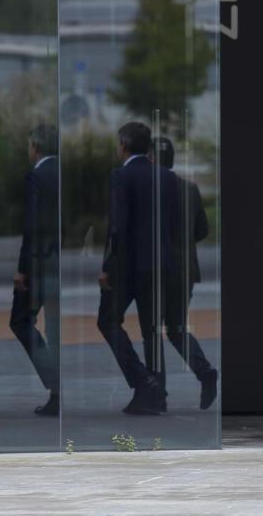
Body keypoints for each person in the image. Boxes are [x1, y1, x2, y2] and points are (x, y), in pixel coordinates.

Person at [95, 122, 183, 414]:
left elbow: (117, 226)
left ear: (122, 144)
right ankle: (157, 396)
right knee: (151, 331)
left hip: (129, 268)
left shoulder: (121, 175)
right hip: (162, 265)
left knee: (107, 320)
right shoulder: (168, 178)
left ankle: (143, 381)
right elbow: (174, 227)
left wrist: (108, 266)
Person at [151, 136, 218, 409]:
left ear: (152, 159)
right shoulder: (190, 188)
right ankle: (205, 372)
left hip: (161, 270)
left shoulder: (154, 188)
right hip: (187, 269)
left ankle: (158, 393)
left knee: (153, 331)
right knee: (176, 327)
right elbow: (202, 229)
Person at [9, 124, 61, 416]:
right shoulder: (61, 174)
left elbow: (32, 227)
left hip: (39, 263)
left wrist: (22, 269)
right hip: (58, 260)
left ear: (36, 147)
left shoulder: (37, 176)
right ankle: (56, 393)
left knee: (20, 320)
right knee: (52, 326)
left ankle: (55, 383)